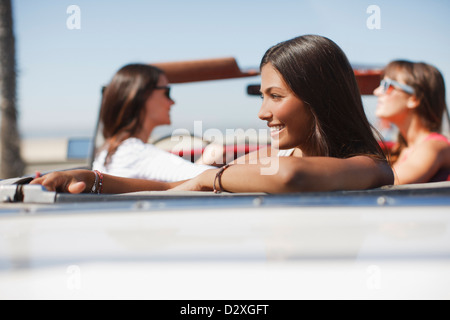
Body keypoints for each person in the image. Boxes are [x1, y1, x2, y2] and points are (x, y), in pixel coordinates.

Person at [31, 35, 394, 194]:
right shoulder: (267, 159)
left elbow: (291, 177)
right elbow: (174, 188)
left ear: (320, 98)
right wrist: (93, 180)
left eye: (275, 96)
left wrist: (212, 178)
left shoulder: (372, 166)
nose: (262, 112)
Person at [92, 63, 213, 182]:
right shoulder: (134, 154)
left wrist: (203, 162)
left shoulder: (108, 153)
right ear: (141, 95)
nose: (172, 102)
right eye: (166, 92)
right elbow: (215, 178)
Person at [374, 60, 450, 184]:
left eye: (387, 85)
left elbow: (394, 181)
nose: (376, 92)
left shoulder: (434, 147)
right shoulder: (401, 147)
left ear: (414, 99)